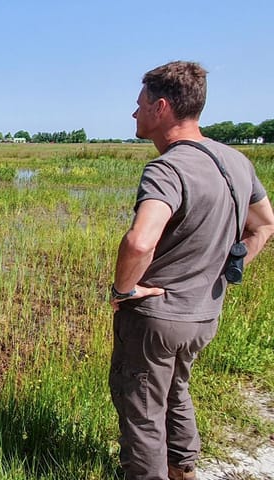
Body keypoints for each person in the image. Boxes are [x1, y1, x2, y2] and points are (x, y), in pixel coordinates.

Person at [108, 60, 274, 480]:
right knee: (175, 390)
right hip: (204, 314)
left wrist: (124, 291)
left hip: (159, 318)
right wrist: (224, 271)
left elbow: (140, 241)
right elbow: (265, 225)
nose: (134, 113)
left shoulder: (168, 168)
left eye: (140, 104)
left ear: (161, 107)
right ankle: (183, 469)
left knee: (142, 408)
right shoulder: (236, 161)